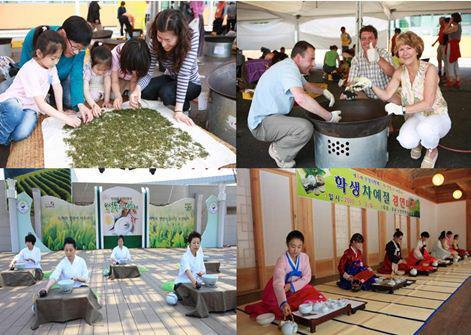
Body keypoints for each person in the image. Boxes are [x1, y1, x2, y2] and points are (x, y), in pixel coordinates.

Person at [352, 31, 450, 168]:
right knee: (406, 141)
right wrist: (370, 84)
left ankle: (432, 150)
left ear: (417, 50)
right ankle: (418, 144)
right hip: (416, 116)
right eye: (401, 49)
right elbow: (386, 95)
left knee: (425, 129)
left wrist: (401, 109)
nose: (405, 53)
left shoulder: (430, 69)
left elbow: (428, 104)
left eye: (409, 48)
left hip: (437, 115)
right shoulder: (400, 72)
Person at [247, 41, 341, 168]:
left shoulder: (290, 67)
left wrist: (323, 91)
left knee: (305, 114)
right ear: (298, 58)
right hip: (261, 124)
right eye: (311, 59)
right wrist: (329, 117)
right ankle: (279, 153)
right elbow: (301, 98)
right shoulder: (289, 69)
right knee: (305, 128)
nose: (313, 64)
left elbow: (307, 86)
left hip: (272, 116)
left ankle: (282, 140)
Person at [0, 27, 81, 146]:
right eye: (53, 58)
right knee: (15, 111)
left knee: (21, 133)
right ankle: (2, 137)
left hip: (31, 107)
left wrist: (60, 111)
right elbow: (42, 103)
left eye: (58, 58)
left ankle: (9, 127)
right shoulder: (30, 69)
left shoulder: (50, 67)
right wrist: (66, 119)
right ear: (39, 53)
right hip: (14, 102)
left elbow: (57, 86)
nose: (56, 62)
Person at [130, 9, 200, 126]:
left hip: (191, 82)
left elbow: (184, 74)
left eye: (168, 40)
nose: (163, 44)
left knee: (166, 93)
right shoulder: (154, 42)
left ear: (180, 35)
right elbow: (148, 71)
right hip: (170, 78)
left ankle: (185, 107)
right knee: (145, 90)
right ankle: (167, 101)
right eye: (160, 37)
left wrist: (178, 110)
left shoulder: (192, 38)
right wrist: (137, 89)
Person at [19, 16, 93, 122]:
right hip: (36, 81)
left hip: (59, 81)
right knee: (12, 94)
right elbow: (24, 68)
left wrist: (80, 104)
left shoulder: (79, 50)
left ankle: (51, 97)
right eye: (75, 47)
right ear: (63, 33)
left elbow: (76, 74)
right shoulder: (38, 35)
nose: (76, 52)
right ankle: (48, 97)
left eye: (80, 49)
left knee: (71, 101)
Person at [245, 230, 327, 319]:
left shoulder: (305, 257)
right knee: (278, 307)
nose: (296, 250)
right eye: (293, 246)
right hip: (280, 288)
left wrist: (292, 286)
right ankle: (287, 304)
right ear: (287, 244)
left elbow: (307, 277)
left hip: (296, 287)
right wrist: (283, 303)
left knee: (312, 292)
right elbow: (278, 283)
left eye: (299, 247)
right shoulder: (282, 260)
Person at [343, 25, 395, 100]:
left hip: (386, 96)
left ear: (376, 40)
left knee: (395, 100)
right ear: (360, 41)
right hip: (367, 97)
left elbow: (393, 73)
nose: (367, 41)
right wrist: (357, 84)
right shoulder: (356, 59)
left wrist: (378, 59)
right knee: (345, 95)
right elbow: (351, 84)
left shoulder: (384, 54)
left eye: (370, 38)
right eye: (363, 39)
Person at [110, 39, 151, 110]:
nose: (134, 72)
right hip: (119, 78)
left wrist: (132, 94)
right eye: (132, 69)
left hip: (130, 80)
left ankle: (127, 91)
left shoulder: (141, 57)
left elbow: (134, 79)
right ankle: (124, 90)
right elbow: (114, 81)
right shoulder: (115, 55)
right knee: (113, 96)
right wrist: (118, 96)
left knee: (135, 96)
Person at [83, 41, 112, 115]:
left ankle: (102, 97)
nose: (101, 72)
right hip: (90, 88)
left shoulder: (106, 71)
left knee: (112, 94)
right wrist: (93, 105)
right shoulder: (88, 69)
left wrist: (106, 100)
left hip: (102, 88)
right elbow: (85, 87)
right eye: (98, 69)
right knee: (90, 96)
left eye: (104, 70)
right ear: (92, 63)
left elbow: (107, 84)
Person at [444, 12, 462, 88]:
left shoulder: (454, 27)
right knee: (455, 63)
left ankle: (451, 81)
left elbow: (444, 31)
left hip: (452, 45)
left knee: (450, 62)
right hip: (456, 45)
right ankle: (457, 81)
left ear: (453, 18)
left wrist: (449, 22)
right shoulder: (459, 26)